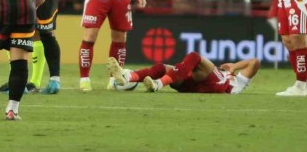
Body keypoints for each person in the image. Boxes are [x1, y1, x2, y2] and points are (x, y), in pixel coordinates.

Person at [107, 52, 259, 94]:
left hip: (221, 85)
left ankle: (158, 84)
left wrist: (233, 67)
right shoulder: (224, 73)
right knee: (163, 68)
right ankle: (127, 77)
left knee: (194, 57)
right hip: (194, 86)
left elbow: (255, 62)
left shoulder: (238, 81)